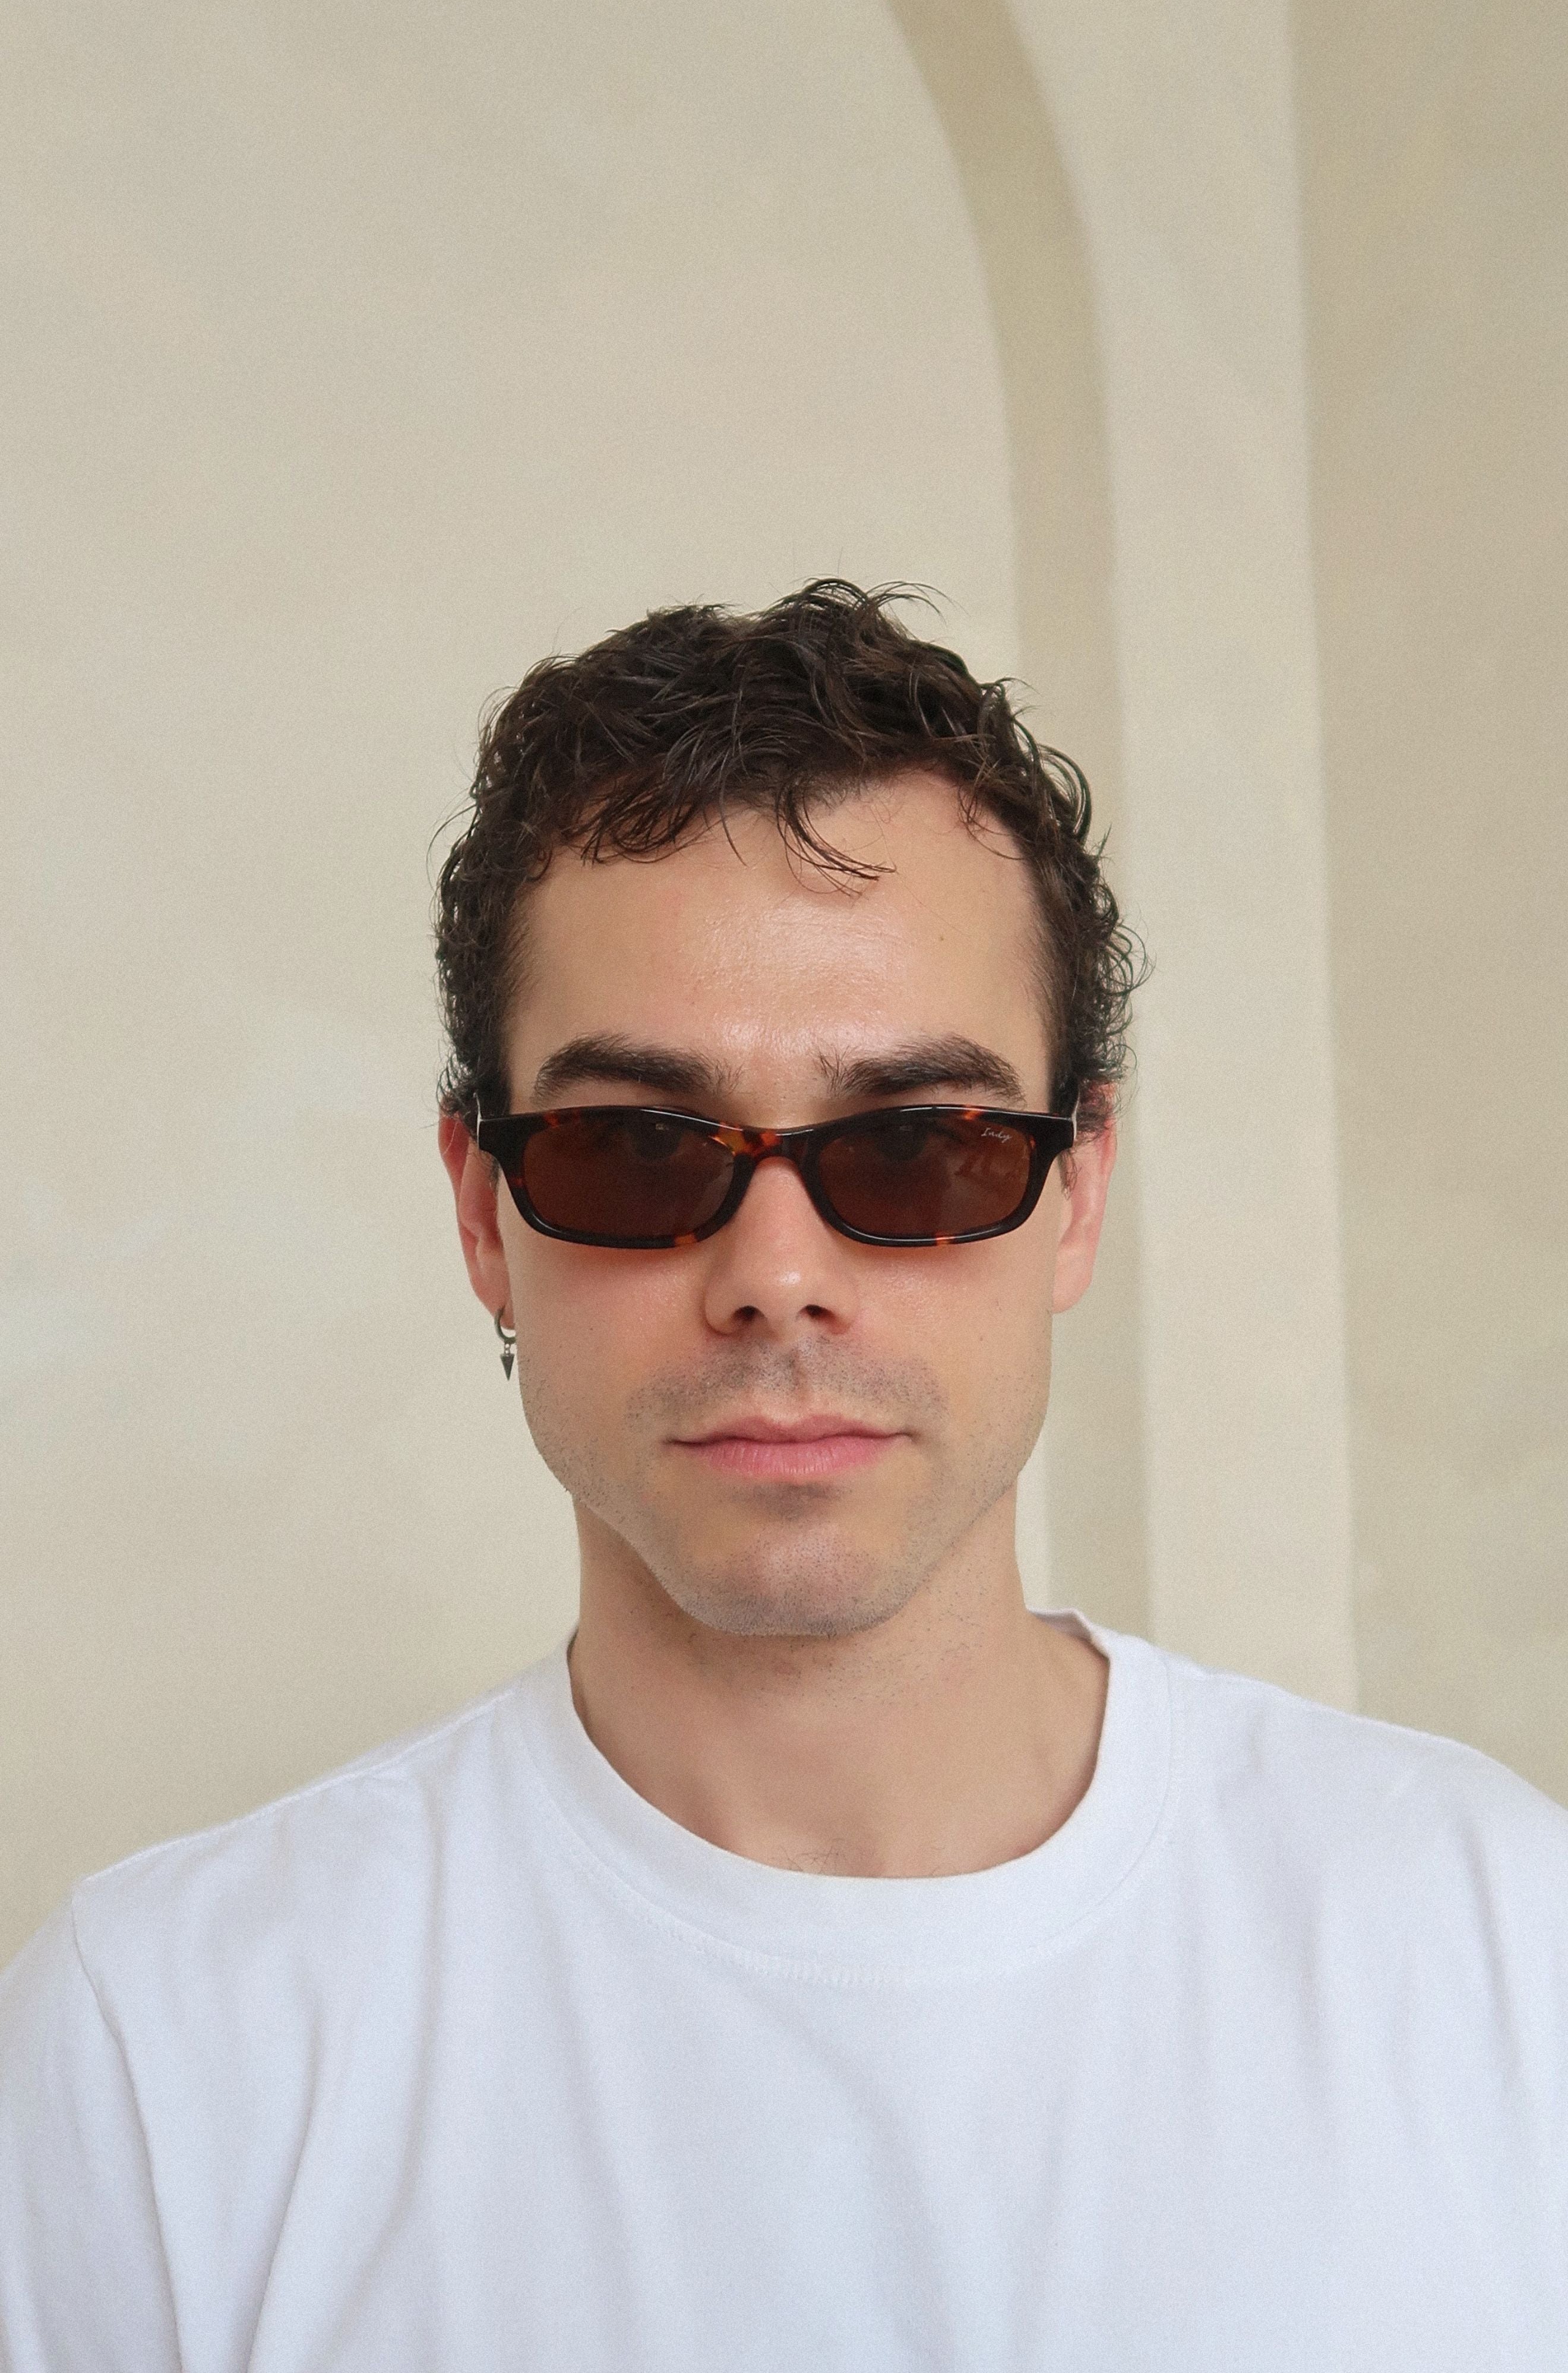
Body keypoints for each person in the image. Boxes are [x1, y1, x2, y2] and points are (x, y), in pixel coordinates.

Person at [1, 583, 1564, 2368]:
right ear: (483, 1214)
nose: (778, 1274)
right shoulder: (163, 2058)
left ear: (1078, 1195)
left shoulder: (1498, 1952)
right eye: (635, 1147)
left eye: (918, 1145)